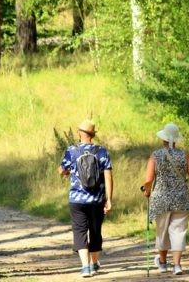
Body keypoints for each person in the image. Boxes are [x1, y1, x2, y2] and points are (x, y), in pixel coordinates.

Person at [142, 122, 189, 275]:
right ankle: (177, 265)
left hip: (160, 199)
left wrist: (147, 191)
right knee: (178, 231)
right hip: (181, 199)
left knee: (162, 231)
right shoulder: (184, 155)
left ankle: (162, 263)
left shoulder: (155, 155)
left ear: (163, 139)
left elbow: (148, 180)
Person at [58, 119, 113, 278]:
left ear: (79, 134)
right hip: (97, 200)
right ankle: (94, 263)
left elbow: (62, 170)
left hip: (77, 200)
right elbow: (108, 177)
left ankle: (85, 267)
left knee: (80, 231)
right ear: (92, 135)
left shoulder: (72, 150)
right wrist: (109, 199)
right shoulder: (102, 151)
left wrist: (66, 171)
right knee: (95, 232)